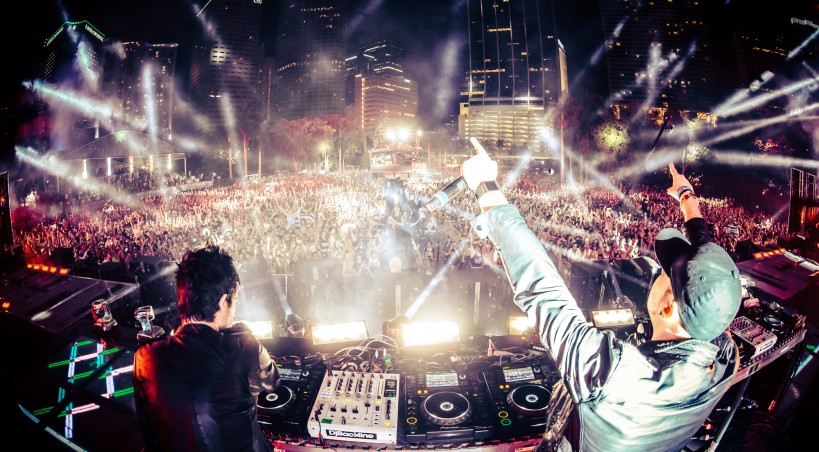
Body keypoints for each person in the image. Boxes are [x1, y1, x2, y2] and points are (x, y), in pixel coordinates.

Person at [460, 143, 741, 452]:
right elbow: (710, 284)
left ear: (667, 307)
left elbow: (543, 290)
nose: (655, 273)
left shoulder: (615, 374)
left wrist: (485, 186)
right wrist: (687, 199)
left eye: (662, 274)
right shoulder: (725, 357)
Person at [133, 245, 280, 451]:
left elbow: (150, 437)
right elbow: (272, 382)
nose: (234, 311)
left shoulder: (144, 358)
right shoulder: (244, 346)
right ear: (223, 301)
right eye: (235, 302)